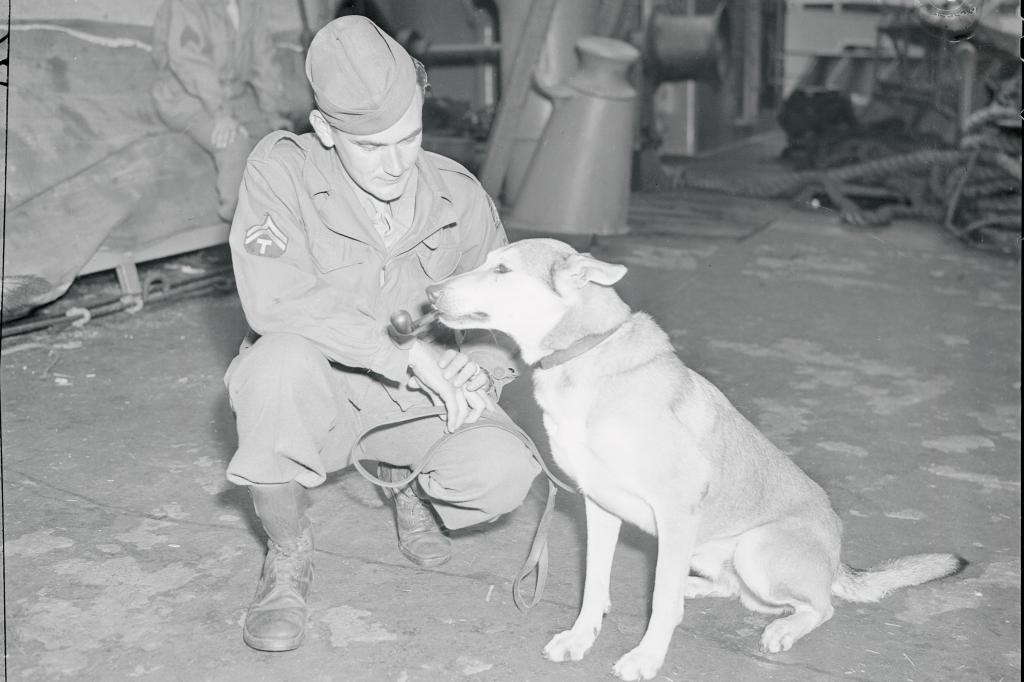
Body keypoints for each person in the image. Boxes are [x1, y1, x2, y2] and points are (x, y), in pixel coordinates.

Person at [223, 15, 541, 652]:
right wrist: (406, 350)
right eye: (373, 147)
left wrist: (482, 367)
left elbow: (502, 305)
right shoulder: (280, 173)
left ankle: (414, 489)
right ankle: (286, 559)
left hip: (413, 401)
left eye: (411, 138)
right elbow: (275, 298)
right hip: (321, 397)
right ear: (326, 131)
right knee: (274, 367)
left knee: (502, 470)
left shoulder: (457, 194)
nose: (398, 164)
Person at [151, 0, 290, 221]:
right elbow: (190, 65)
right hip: (186, 97)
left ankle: (281, 228)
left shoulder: (251, 6)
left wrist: (274, 112)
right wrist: (221, 113)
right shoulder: (184, 5)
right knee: (233, 144)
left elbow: (264, 61)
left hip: (234, 93)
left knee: (280, 143)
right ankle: (236, 228)